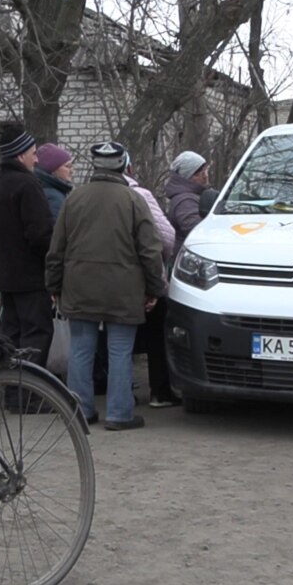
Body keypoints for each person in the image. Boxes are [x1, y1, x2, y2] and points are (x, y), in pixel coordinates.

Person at [47, 141, 166, 431]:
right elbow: (150, 250)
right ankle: (119, 414)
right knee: (120, 350)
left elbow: (57, 247)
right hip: (123, 290)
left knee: (81, 349)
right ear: (123, 164)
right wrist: (154, 288)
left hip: (79, 286)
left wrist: (54, 284)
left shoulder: (74, 199)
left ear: (95, 165)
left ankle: (80, 411)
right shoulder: (134, 200)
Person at [0, 121, 56, 370]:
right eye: (34, 153)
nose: (36, 160)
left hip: (7, 277)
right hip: (31, 278)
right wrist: (51, 261)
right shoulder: (27, 185)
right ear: (21, 154)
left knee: (12, 336)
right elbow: (41, 234)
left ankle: (12, 391)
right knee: (35, 335)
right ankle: (29, 394)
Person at [125, 160, 178, 408]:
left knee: (118, 340)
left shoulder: (83, 196)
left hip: (108, 282)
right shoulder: (140, 195)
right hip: (144, 276)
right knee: (157, 335)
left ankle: (122, 395)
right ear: (128, 168)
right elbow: (166, 237)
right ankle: (160, 392)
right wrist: (158, 275)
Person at [163, 151, 210, 245]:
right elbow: (199, 234)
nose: (206, 176)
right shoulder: (185, 202)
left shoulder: (189, 196)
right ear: (191, 175)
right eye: (203, 172)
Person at [34, 142, 75, 221]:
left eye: (71, 166)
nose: (72, 170)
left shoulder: (46, 190)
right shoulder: (54, 198)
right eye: (67, 166)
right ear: (53, 169)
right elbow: (54, 231)